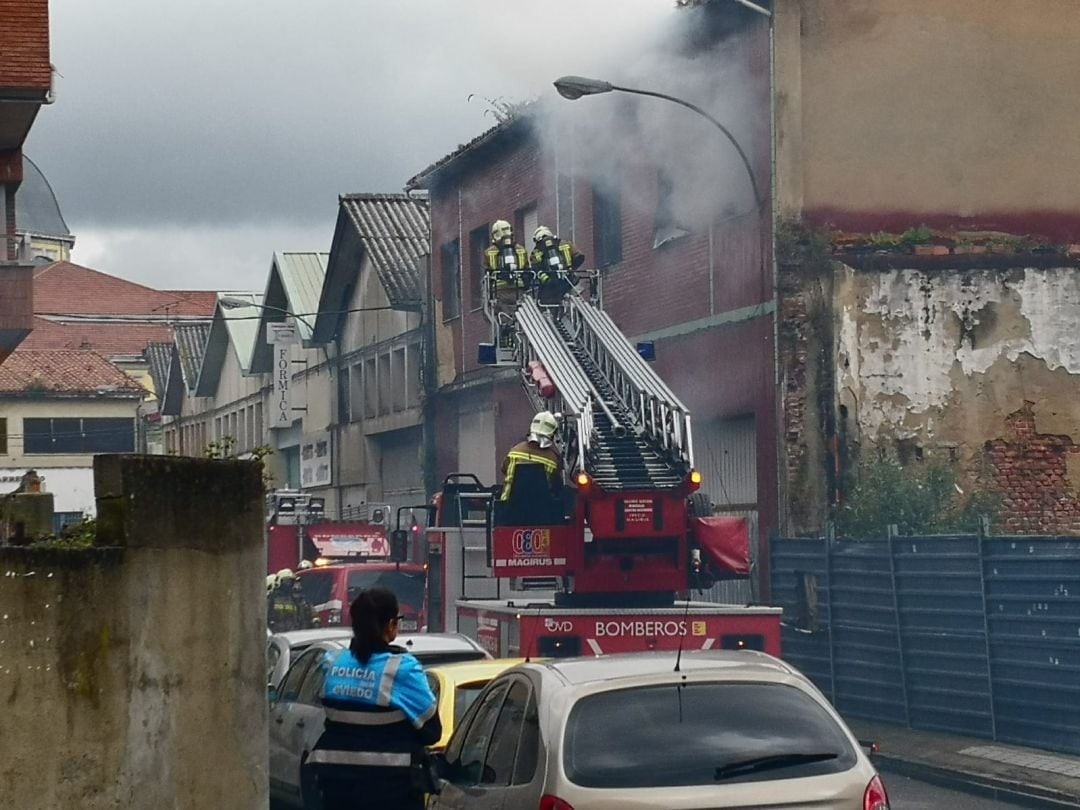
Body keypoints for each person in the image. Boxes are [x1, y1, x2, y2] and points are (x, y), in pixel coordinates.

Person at [304, 587, 441, 810]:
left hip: (335, 786)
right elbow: (432, 731)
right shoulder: (402, 669)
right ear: (390, 625)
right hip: (391, 789)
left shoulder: (333, 663)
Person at [500, 410, 564, 502]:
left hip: (508, 508)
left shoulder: (515, 450)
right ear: (552, 434)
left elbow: (503, 469)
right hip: (541, 511)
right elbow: (556, 485)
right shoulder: (553, 459)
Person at [484, 219, 530, 347]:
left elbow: (489, 271)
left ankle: (506, 329)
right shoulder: (521, 250)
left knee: (502, 314)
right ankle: (516, 330)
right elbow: (527, 270)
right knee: (520, 313)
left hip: (500, 291)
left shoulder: (490, 252)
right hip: (519, 289)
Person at [530, 225, 585, 307]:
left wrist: (547, 280)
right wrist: (571, 269)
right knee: (578, 304)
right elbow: (579, 256)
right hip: (570, 282)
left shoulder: (536, 251)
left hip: (550, 289)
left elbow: (536, 269)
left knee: (545, 307)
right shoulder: (565, 243)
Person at [267, 568, 315, 632]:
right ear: (279, 582)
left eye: (291, 581)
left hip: (292, 636)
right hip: (276, 636)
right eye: (286, 581)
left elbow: (302, 619)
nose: (289, 584)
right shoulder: (272, 598)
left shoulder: (295, 599)